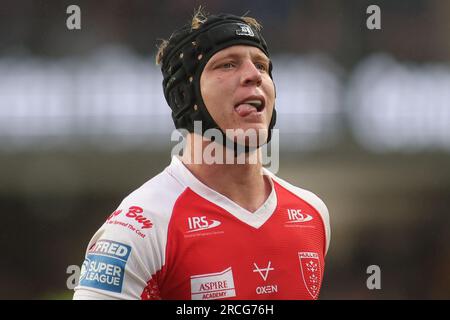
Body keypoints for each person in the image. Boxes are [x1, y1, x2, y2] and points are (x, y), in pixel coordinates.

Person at [73, 8, 330, 300]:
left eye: (261, 65)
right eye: (227, 65)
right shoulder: (139, 227)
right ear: (186, 96)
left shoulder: (312, 214)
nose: (253, 75)